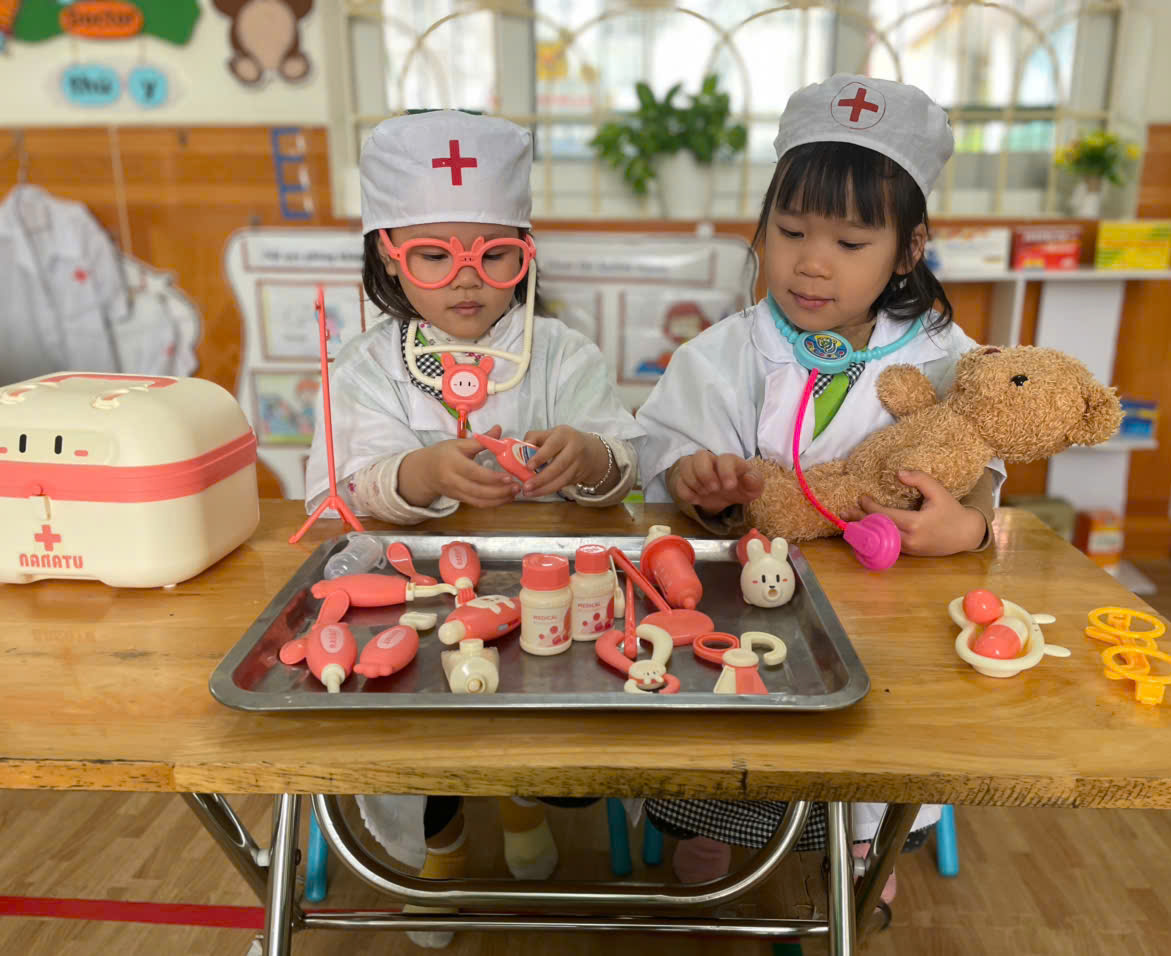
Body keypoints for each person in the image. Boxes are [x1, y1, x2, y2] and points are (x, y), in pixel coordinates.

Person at [634, 74, 1005, 907]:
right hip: (749, 593)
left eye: (850, 242)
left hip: (886, 603)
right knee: (732, 708)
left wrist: (968, 529)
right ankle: (710, 824)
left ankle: (865, 840)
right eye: (791, 230)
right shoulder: (724, 352)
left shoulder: (944, 354)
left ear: (908, 250)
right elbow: (672, 456)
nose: (810, 261)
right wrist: (702, 485)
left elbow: (981, 466)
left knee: (879, 722)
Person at [304, 110, 644, 948]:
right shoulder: (366, 368)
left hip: (547, 595)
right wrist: (420, 475)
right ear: (388, 257)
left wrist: (590, 455)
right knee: (423, 736)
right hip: (407, 598)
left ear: (526, 254)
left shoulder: (560, 354)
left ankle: (527, 801)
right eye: (434, 256)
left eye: (495, 256)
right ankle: (442, 847)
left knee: (552, 737)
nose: (470, 281)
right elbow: (338, 493)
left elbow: (626, 466)